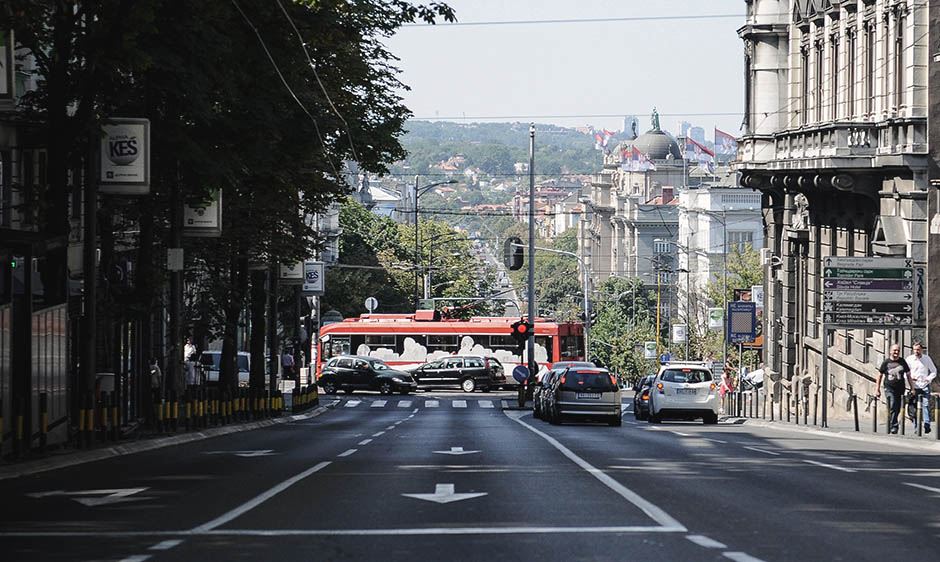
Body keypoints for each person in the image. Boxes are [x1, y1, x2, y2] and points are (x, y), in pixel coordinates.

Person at [875, 343, 913, 434]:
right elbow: (879, 376)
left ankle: (892, 422)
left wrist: (912, 388)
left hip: (900, 388)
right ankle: (894, 426)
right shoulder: (886, 362)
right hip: (889, 387)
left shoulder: (902, 362)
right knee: (892, 404)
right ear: (890, 351)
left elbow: (908, 375)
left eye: (898, 350)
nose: (896, 352)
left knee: (897, 407)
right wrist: (877, 389)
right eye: (895, 350)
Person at [906, 342, 937, 434]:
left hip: (924, 386)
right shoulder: (909, 359)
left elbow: (933, 371)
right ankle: (916, 427)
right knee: (913, 407)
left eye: (918, 350)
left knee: (926, 404)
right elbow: (905, 372)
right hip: (913, 386)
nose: (916, 351)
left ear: (922, 350)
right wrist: (910, 379)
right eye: (915, 350)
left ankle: (927, 424)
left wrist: (928, 379)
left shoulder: (927, 359)